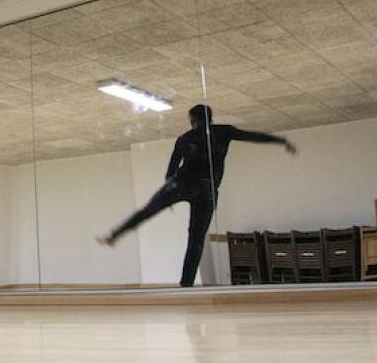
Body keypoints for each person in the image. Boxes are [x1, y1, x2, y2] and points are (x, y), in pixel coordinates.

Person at [98, 104, 297, 286]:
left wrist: (168, 194)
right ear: (210, 118)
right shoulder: (223, 132)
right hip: (207, 189)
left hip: (181, 183)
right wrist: (281, 141)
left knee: (148, 211)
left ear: (192, 120)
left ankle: (115, 235)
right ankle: (186, 285)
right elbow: (253, 136)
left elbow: (172, 167)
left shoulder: (184, 138)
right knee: (196, 240)